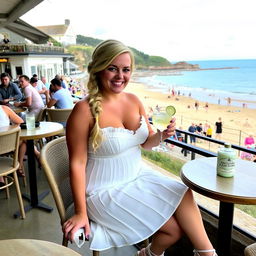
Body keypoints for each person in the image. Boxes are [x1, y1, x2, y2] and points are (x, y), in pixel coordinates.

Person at [63, 40, 216, 256]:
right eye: (112, 68)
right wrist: (81, 212)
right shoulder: (83, 110)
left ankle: (207, 254)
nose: (120, 76)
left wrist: (162, 136)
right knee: (173, 230)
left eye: (126, 70)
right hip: (104, 190)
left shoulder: (134, 100)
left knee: (184, 192)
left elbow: (145, 141)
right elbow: (77, 164)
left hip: (137, 175)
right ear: (99, 68)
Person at [0, 105, 23, 185]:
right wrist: (10, 127)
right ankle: (19, 166)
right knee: (24, 141)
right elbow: (20, 122)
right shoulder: (4, 108)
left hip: (3, 149)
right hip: (9, 146)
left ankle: (1, 178)